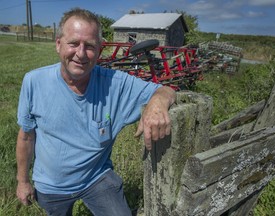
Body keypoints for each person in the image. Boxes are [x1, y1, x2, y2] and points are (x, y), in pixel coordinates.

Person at [16, 7, 176, 216]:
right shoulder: (34, 82)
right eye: (73, 43)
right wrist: (23, 181)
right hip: (51, 185)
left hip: (96, 177)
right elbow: (26, 137)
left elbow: (166, 90)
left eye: (89, 46)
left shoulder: (115, 84)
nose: (81, 53)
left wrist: (157, 104)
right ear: (58, 45)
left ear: (99, 50)